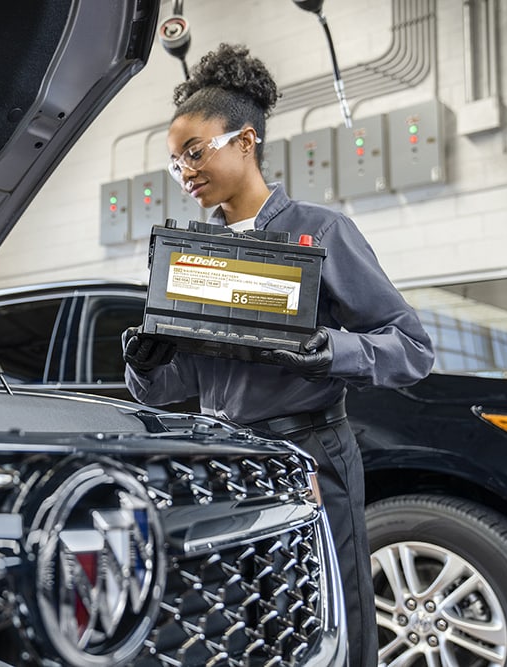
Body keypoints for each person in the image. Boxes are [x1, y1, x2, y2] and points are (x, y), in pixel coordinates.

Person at [122, 43, 434, 667]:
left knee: (334, 619)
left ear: (244, 141)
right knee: (250, 627)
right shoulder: (190, 260)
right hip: (228, 466)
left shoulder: (321, 233)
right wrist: (147, 361)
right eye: (174, 160)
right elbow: (163, 389)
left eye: (194, 151)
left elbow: (412, 348)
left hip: (313, 459)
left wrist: (329, 350)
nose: (183, 170)